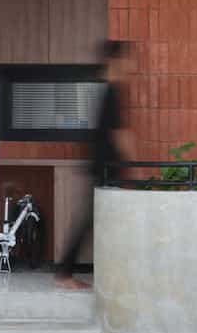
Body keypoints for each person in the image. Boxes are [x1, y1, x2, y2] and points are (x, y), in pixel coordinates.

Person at [55, 40, 136, 290]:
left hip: (104, 167)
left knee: (95, 219)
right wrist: (136, 165)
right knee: (90, 220)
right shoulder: (111, 92)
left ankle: (67, 273)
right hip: (104, 168)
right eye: (127, 59)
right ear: (115, 61)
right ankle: (64, 274)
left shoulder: (109, 91)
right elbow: (120, 135)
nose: (131, 66)